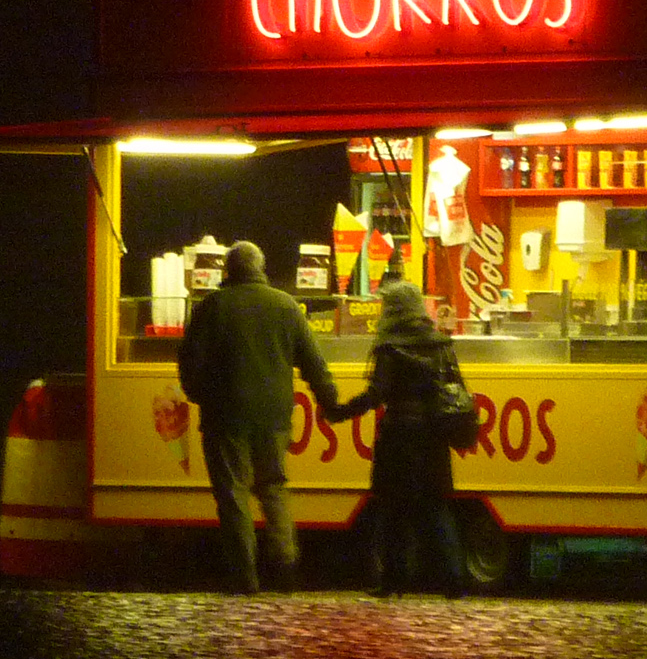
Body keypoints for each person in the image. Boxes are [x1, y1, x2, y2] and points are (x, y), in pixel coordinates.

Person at [177, 240, 338, 593]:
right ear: (261, 267)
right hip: (274, 416)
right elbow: (313, 361)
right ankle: (285, 569)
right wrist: (330, 401)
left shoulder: (212, 307)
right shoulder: (286, 305)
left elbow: (189, 363)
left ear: (227, 270)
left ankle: (244, 576)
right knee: (273, 487)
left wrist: (201, 396)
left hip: (225, 416)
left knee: (233, 493)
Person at [326, 279, 468, 598]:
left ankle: (394, 580)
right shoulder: (441, 343)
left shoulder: (389, 346)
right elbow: (455, 386)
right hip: (434, 435)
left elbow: (377, 394)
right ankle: (455, 580)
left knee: (392, 509)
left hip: (399, 435)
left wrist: (341, 412)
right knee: (436, 507)